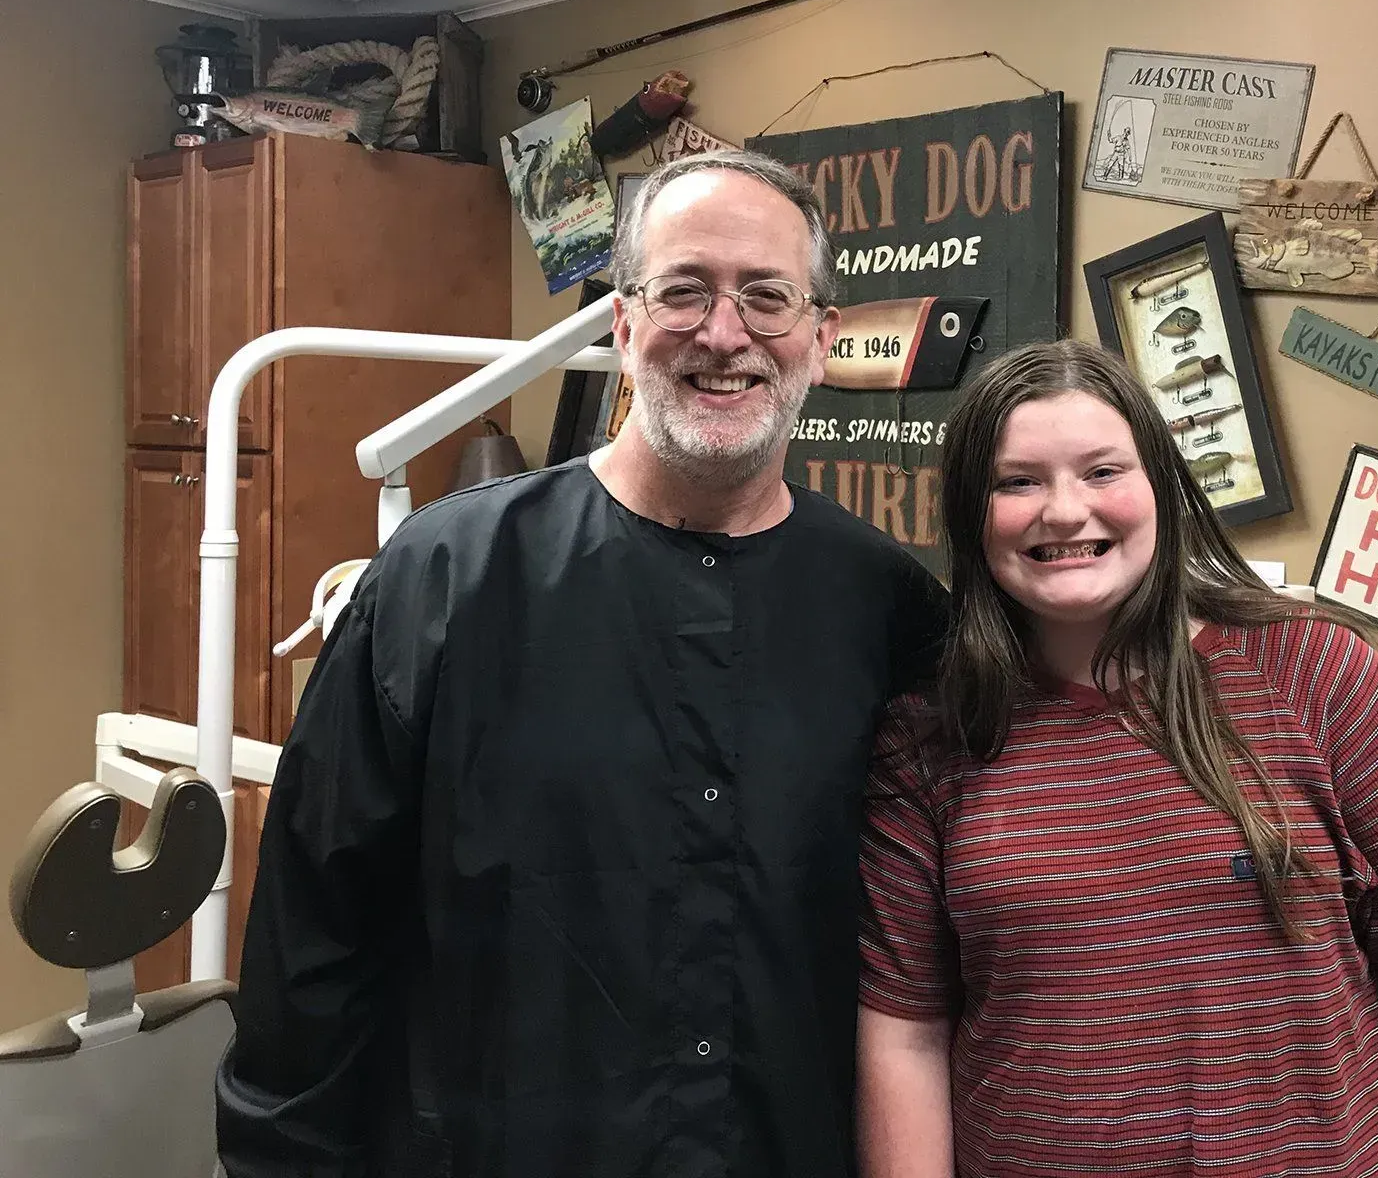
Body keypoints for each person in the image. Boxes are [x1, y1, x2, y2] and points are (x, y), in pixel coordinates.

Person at [216, 149, 949, 1177]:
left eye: (767, 298)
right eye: (683, 290)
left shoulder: (891, 611)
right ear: (623, 324)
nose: (724, 332)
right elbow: (311, 949)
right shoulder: (440, 580)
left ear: (821, 340)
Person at [857, 339, 1378, 1178]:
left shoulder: (1317, 674)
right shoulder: (930, 738)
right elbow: (907, 1032)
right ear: (971, 515)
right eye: (1018, 481)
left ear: (1162, 489)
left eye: (1103, 471)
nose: (1066, 511)